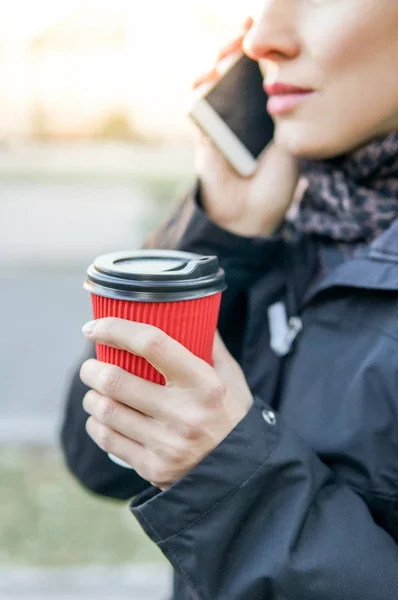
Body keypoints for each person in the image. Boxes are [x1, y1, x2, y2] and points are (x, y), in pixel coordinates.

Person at [61, 2, 398, 598]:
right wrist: (222, 233)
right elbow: (99, 459)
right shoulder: (292, 211)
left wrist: (227, 475)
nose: (263, 37)